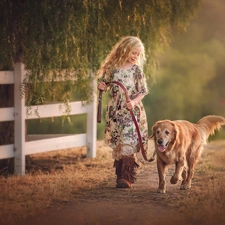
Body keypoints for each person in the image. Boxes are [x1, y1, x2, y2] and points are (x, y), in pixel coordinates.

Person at [97, 36, 149, 188]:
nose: (135, 57)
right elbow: (105, 84)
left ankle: (127, 177)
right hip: (115, 112)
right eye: (133, 53)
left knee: (128, 141)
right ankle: (120, 176)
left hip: (130, 111)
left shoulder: (136, 70)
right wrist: (102, 87)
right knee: (119, 143)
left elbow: (143, 91)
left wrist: (133, 101)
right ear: (124, 50)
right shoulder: (112, 68)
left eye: (138, 54)